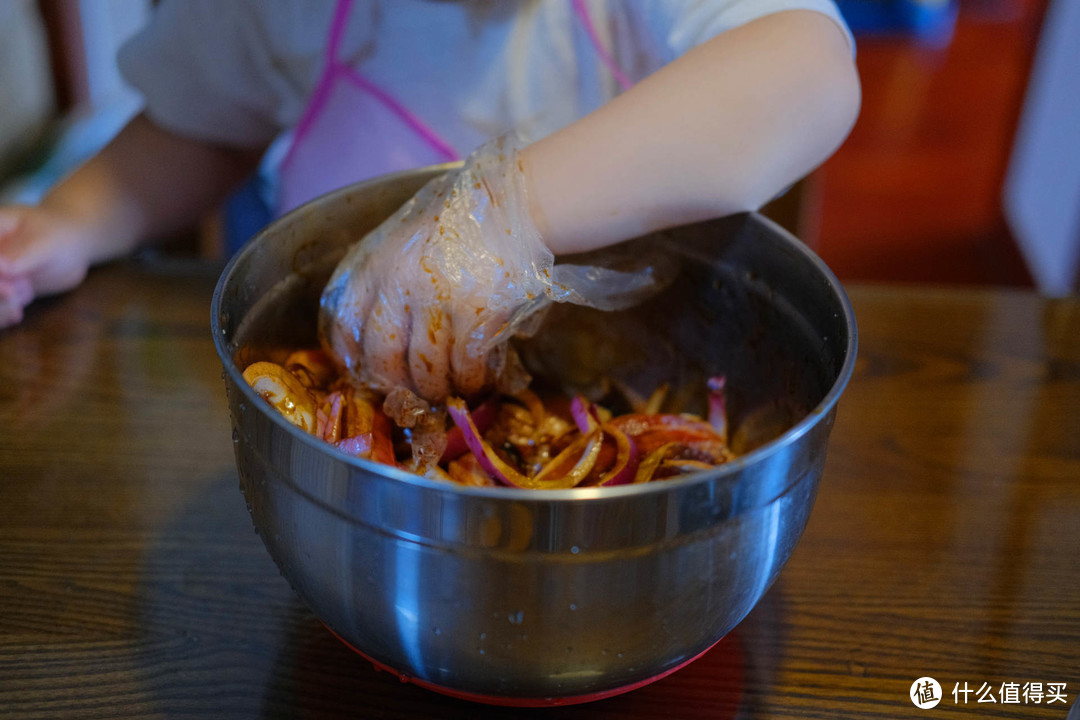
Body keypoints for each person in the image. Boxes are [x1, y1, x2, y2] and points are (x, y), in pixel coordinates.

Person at [0, 0, 860, 404]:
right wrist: (74, 220)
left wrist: (505, 213)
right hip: (357, 411)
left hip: (605, 387)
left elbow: (806, 71)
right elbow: (204, 128)